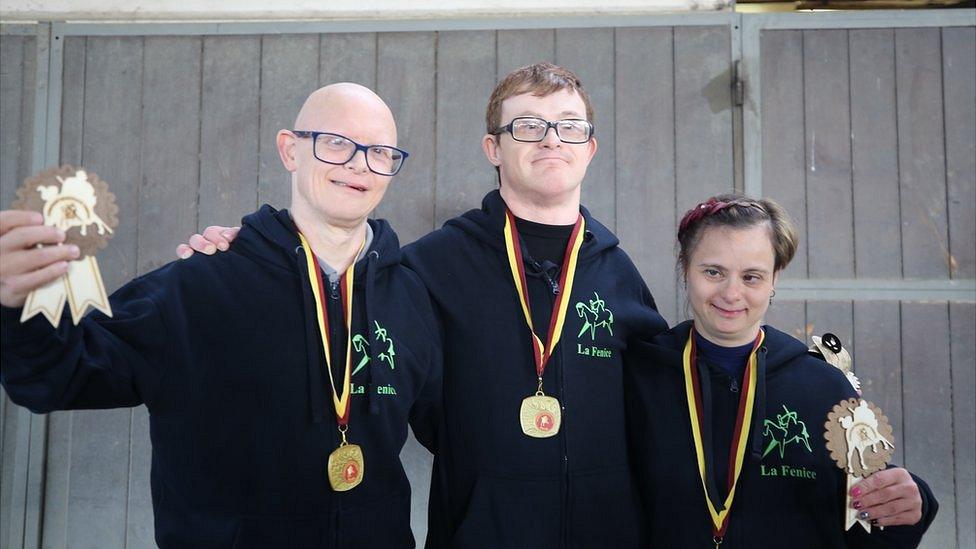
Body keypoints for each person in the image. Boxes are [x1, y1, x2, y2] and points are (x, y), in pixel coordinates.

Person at [179, 63, 670, 548]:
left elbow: (663, 405)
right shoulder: (424, 268)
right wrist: (254, 250)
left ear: (589, 148)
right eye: (528, 126)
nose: (551, 140)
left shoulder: (619, 273)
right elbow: (326, 294)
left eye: (569, 126)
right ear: (493, 148)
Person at [0, 83, 442, 548]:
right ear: (291, 150)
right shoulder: (194, 287)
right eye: (337, 142)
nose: (358, 163)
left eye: (380, 152)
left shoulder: (411, 296)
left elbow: (456, 424)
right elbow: (59, 376)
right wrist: (15, 306)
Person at [623, 194, 938, 547]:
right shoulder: (637, 376)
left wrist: (914, 502)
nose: (731, 293)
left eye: (752, 277)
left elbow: (871, 520)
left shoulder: (825, 388)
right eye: (713, 272)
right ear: (685, 269)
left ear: (775, 278)